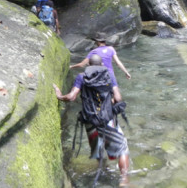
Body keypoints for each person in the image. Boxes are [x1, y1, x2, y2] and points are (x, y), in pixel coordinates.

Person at [54, 54, 130, 185]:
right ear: (102, 65)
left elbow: (72, 97)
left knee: (98, 149)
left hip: (90, 120)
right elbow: (118, 98)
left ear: (88, 65)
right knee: (122, 149)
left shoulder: (81, 77)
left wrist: (59, 95)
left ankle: (103, 170)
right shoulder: (109, 75)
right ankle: (124, 179)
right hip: (108, 119)